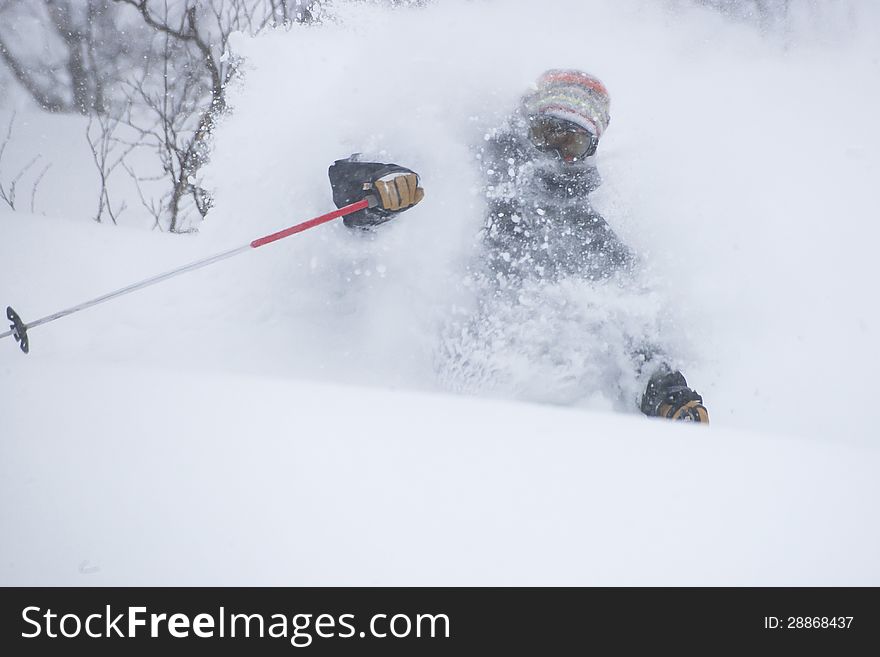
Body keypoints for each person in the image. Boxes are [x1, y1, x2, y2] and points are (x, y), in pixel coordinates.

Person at [327, 69, 708, 423]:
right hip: (394, 390)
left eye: (571, 142)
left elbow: (628, 326)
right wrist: (375, 189)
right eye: (547, 133)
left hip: (511, 419)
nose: (556, 153)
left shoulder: (591, 238)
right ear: (524, 126)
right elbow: (351, 197)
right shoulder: (460, 169)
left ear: (589, 153)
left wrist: (667, 394)